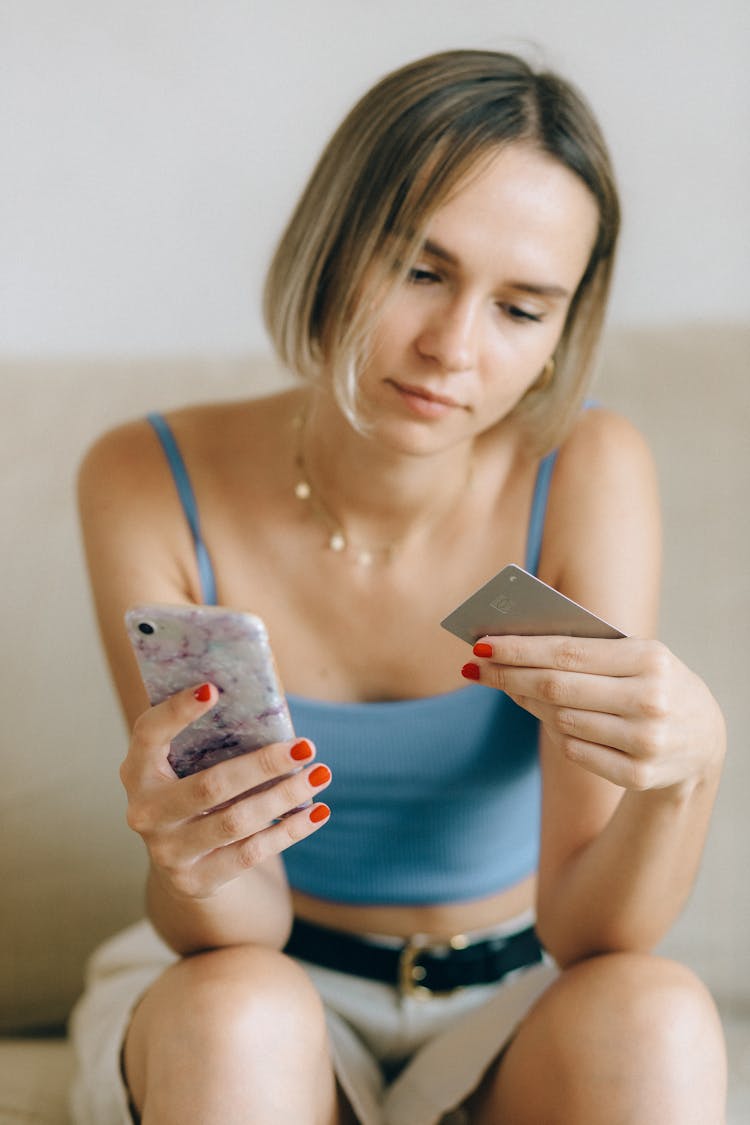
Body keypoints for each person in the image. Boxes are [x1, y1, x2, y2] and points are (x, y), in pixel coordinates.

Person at [69, 48, 728, 1125]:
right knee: (240, 1015)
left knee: (654, 1016)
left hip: (516, 995)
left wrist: (687, 777)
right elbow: (237, 933)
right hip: (267, 980)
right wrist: (184, 846)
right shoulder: (146, 479)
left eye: (522, 309)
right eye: (420, 271)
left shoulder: (588, 471)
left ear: (563, 334)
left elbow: (593, 936)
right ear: (334, 243)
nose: (451, 349)